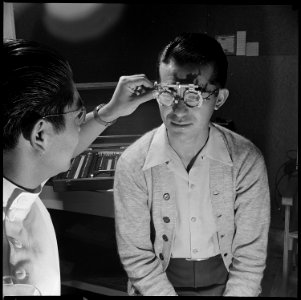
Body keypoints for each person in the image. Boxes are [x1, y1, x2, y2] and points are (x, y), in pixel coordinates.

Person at [114, 32, 271, 296]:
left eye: (193, 95)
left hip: (226, 280)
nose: (177, 110)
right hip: (158, 282)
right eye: (168, 93)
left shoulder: (246, 161)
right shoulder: (133, 162)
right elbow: (137, 255)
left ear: (219, 99)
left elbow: (250, 258)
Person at [3, 38, 155, 296]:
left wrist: (110, 111)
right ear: (41, 135)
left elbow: (59, 147)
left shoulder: (19, 173)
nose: (80, 127)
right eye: (78, 117)